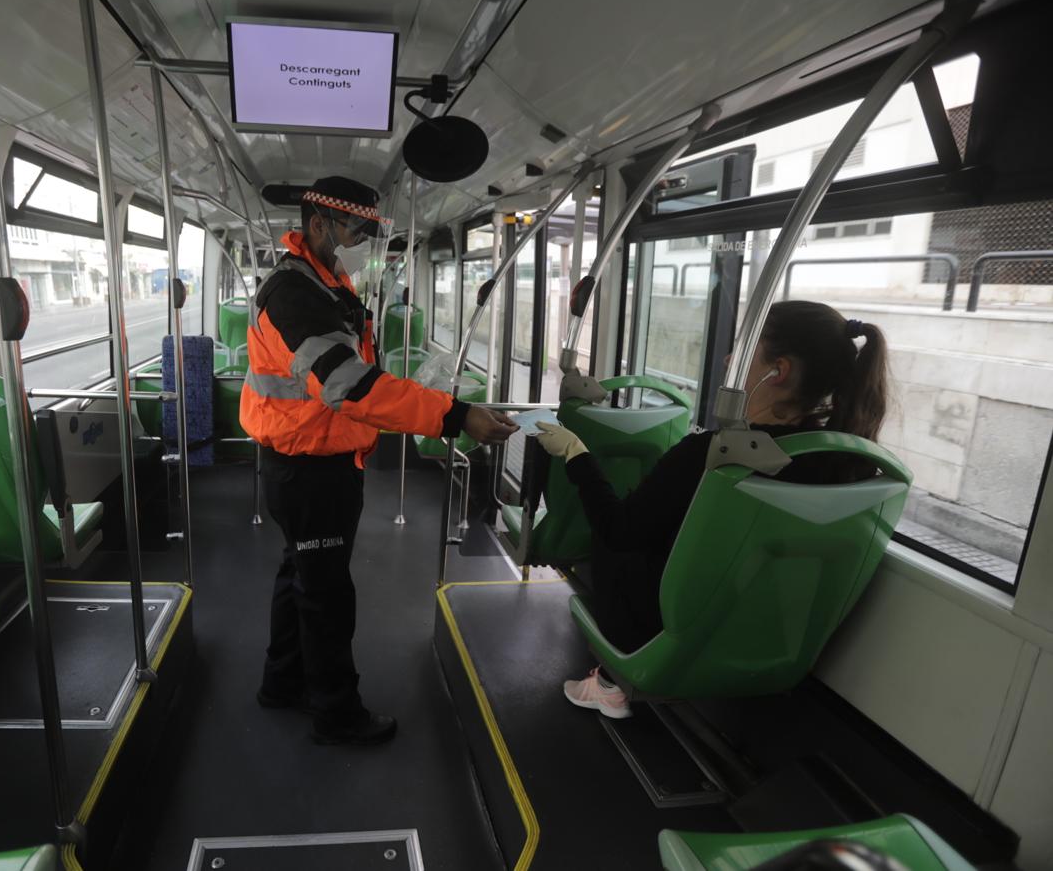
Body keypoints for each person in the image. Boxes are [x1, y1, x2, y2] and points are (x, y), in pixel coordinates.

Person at [241, 176, 519, 746]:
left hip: (316, 461)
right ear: (319, 224)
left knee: (300, 576)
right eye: (355, 229)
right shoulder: (294, 295)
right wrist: (454, 414)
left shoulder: (325, 281)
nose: (361, 239)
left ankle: (282, 683)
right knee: (326, 596)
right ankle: (337, 716)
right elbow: (351, 386)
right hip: (307, 468)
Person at [535, 301, 889, 719]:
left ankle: (610, 681)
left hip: (667, 629)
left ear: (780, 370)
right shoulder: (855, 465)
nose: (726, 360)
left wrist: (576, 454)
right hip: (767, 637)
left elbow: (618, 530)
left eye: (741, 351)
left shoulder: (710, 456)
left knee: (621, 535)